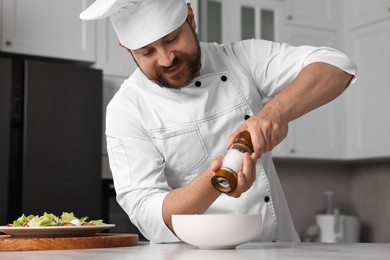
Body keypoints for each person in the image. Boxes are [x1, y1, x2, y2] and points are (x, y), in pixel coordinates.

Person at [80, 0, 356, 243]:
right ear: (127, 49)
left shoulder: (242, 59)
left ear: (190, 17)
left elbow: (336, 65)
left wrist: (274, 113)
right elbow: (148, 214)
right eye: (146, 52)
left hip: (277, 249)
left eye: (172, 39)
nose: (166, 59)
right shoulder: (127, 109)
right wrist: (216, 182)